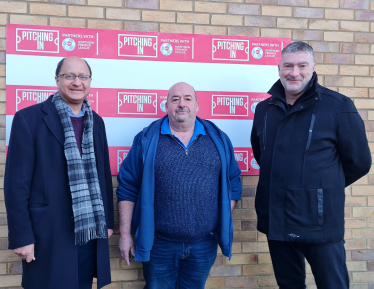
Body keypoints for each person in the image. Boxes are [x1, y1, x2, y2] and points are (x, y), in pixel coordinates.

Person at [251, 41, 371, 288]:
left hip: (320, 221)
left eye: (301, 65)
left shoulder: (338, 106)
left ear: (313, 67)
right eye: (288, 66)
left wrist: (320, 186)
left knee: (332, 284)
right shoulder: (264, 109)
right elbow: (263, 156)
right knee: (289, 285)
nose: (294, 72)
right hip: (276, 218)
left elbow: (359, 162)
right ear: (279, 68)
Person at [116, 82, 242, 289]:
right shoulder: (146, 139)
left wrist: (220, 217)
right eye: (175, 99)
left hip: (203, 244)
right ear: (166, 105)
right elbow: (128, 188)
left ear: (197, 105)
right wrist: (124, 234)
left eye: (187, 99)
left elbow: (233, 182)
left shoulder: (218, 139)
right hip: (159, 245)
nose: (181, 104)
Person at [4, 56, 114, 289]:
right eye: (69, 76)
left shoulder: (97, 122)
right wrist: (22, 237)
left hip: (88, 231)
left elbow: (104, 176)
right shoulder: (29, 119)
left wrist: (108, 222)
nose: (77, 82)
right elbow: (16, 185)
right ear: (57, 80)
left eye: (83, 77)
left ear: (90, 82)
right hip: (48, 234)